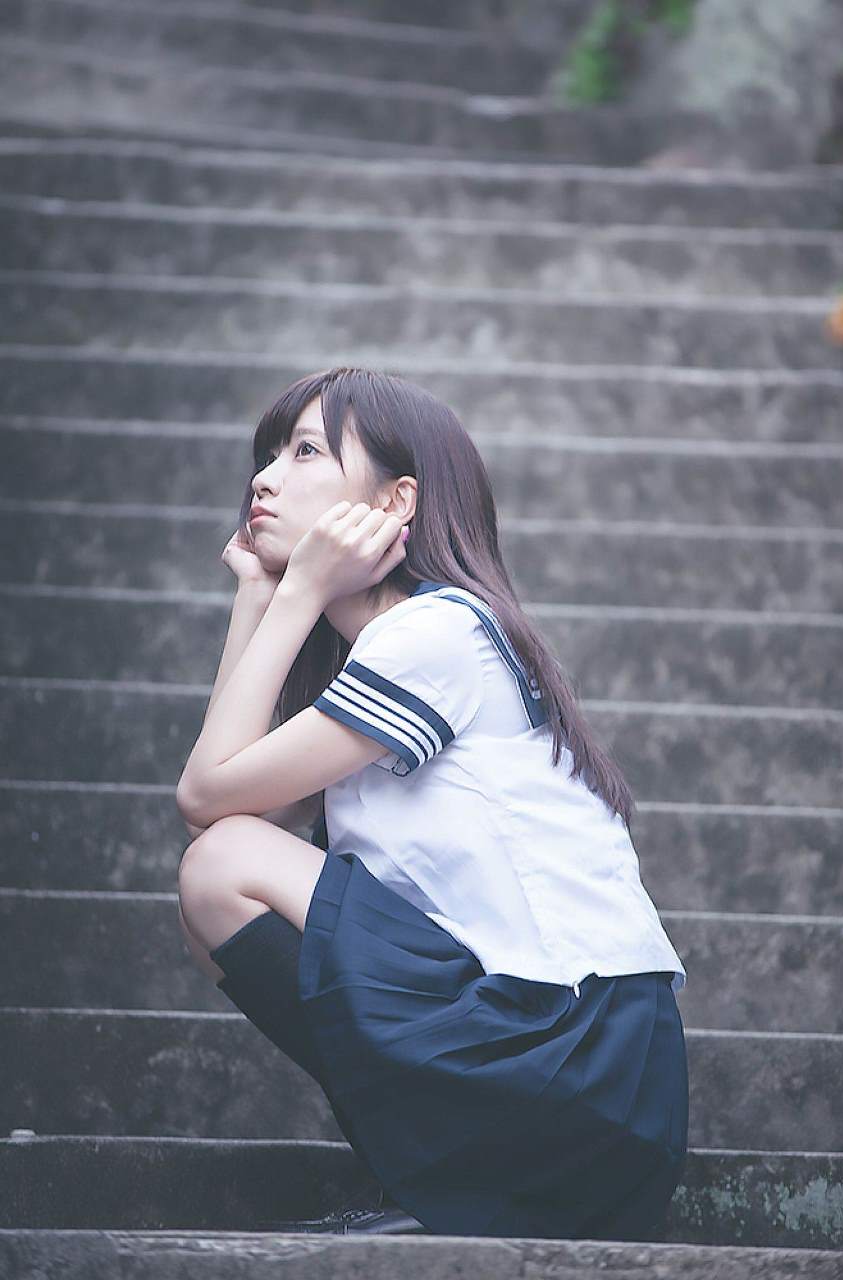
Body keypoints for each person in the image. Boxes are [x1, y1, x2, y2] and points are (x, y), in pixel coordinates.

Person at [176, 365, 689, 1240]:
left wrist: (294, 592)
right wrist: (258, 595)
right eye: (268, 455)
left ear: (394, 502)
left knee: (221, 867)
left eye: (306, 452)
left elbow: (204, 800)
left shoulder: (438, 633)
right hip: (574, 1086)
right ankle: (442, 1178)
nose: (264, 478)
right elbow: (232, 806)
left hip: (575, 1056)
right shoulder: (389, 660)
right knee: (221, 883)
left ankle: (448, 1172)